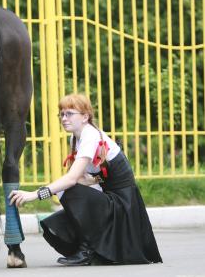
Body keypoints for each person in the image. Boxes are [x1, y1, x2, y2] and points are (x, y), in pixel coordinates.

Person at [9, 93, 162, 266]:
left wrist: (34, 194)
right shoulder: (75, 137)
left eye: (69, 114)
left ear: (85, 117)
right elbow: (78, 178)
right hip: (109, 198)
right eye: (61, 114)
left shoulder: (90, 136)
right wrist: (87, 182)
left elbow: (72, 180)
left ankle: (88, 250)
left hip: (123, 206)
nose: (64, 118)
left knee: (69, 189)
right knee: (61, 204)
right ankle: (92, 248)